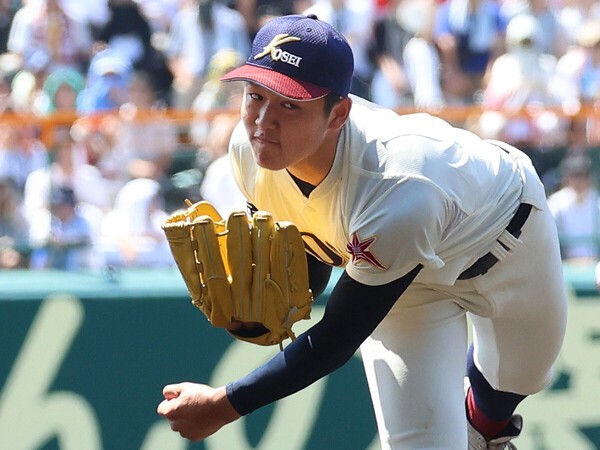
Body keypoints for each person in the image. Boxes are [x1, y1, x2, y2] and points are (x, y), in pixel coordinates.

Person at [157, 14, 568, 449]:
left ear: (339, 113)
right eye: (255, 95)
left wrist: (224, 404)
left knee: (518, 381)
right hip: (400, 280)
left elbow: (337, 339)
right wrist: (270, 308)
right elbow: (313, 246)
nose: (263, 120)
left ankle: (484, 425)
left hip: (507, 239)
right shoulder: (249, 153)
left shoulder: (397, 186)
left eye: (289, 104)